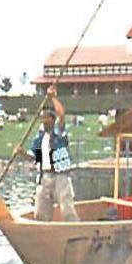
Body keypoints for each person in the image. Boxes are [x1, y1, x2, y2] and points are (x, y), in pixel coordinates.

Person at [19, 85, 79, 222]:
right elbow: (32, 158)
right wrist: (21, 153)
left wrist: (52, 98)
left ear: (52, 120)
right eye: (42, 118)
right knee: (40, 212)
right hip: (44, 176)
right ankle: (43, 234)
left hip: (60, 176)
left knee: (67, 210)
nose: (44, 120)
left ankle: (74, 229)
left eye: (47, 118)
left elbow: (62, 115)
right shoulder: (40, 138)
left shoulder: (59, 134)